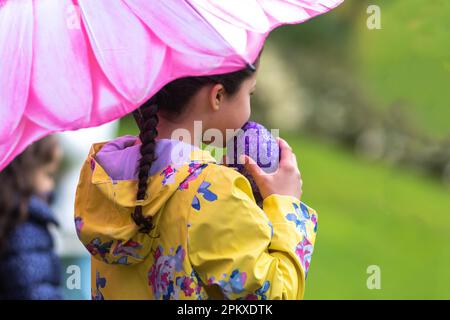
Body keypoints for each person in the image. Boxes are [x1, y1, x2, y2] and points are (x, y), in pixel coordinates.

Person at [74, 50, 319, 300]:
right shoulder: (213, 194)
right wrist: (287, 207)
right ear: (218, 95)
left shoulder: (106, 174)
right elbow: (273, 296)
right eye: (250, 93)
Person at [0, 136, 63, 299]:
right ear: (25, 172)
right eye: (48, 174)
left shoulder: (9, 217)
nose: (51, 185)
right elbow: (35, 291)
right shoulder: (27, 227)